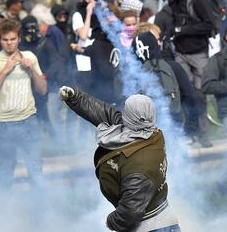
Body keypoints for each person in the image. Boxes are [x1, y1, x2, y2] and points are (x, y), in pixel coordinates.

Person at [59, 86, 181, 232]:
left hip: (151, 227)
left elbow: (130, 214)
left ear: (130, 117)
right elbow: (104, 112)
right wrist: (75, 97)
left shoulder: (140, 168)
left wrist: (110, 221)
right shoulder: (151, 134)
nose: (121, 115)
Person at [0, 18, 47, 191]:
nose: (9, 44)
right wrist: (5, 70)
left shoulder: (29, 57)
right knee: (3, 175)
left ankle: (42, 213)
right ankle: (6, 215)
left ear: (19, 39)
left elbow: (42, 90)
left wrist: (32, 70)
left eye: (12, 39)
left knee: (36, 173)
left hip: (28, 122)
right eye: (5, 40)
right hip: (2, 125)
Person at [166, 0, 215, 147]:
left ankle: (203, 134)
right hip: (180, 53)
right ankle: (190, 132)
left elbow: (210, 25)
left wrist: (182, 30)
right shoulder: (173, 0)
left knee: (201, 95)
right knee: (185, 95)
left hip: (199, 53)